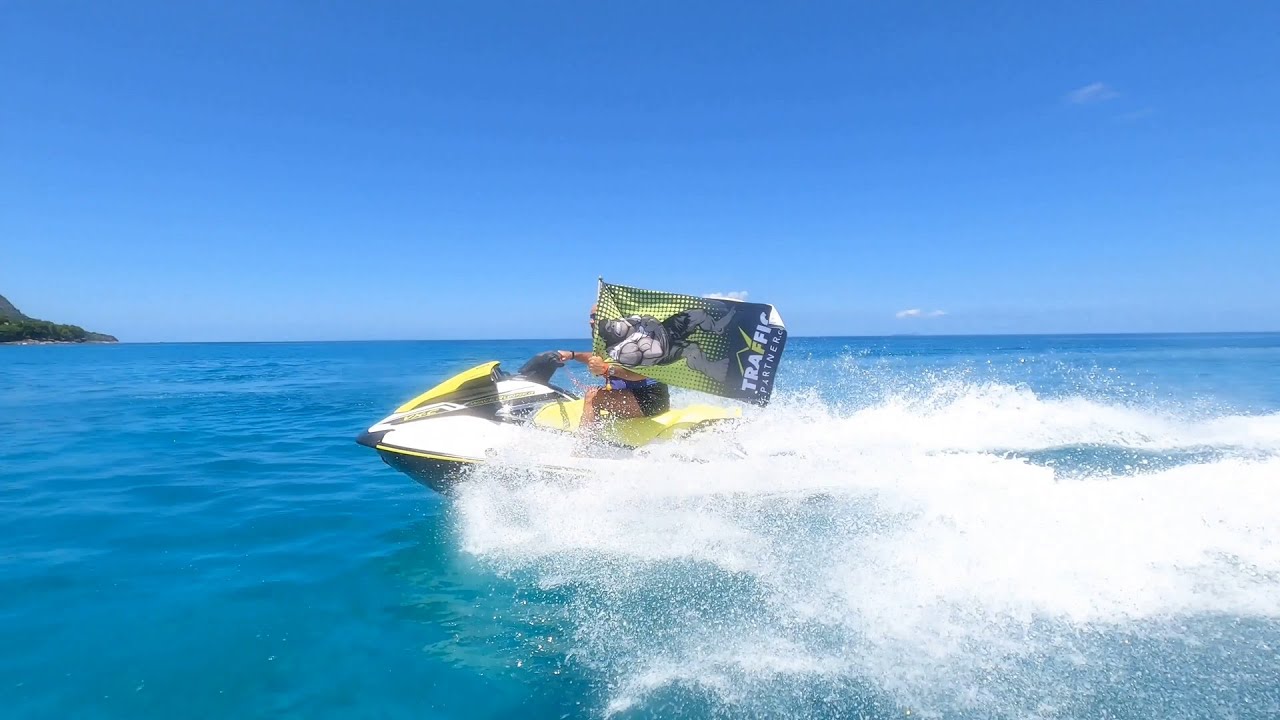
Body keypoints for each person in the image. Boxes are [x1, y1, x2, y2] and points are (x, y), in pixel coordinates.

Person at [556, 305, 670, 428]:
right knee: (594, 391)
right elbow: (597, 358)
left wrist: (607, 369)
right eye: (591, 317)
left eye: (595, 317)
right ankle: (596, 429)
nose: (591, 321)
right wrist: (572, 355)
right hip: (630, 395)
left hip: (650, 400)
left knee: (592, 398)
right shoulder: (610, 339)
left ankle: (585, 439)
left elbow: (642, 374)